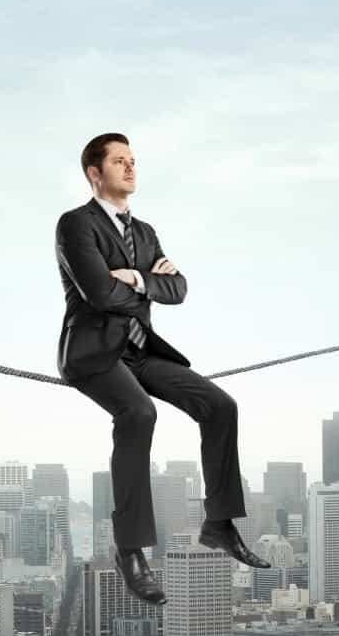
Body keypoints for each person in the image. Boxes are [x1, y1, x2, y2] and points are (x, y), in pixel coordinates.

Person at [55, 132, 270, 605]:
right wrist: (152, 282)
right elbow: (97, 293)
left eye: (133, 160)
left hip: (140, 350)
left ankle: (219, 523)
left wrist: (132, 277)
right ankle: (130, 550)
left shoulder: (145, 232)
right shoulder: (76, 225)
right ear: (95, 173)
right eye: (119, 161)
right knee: (138, 413)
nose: (130, 168)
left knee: (219, 405)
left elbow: (180, 290)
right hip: (94, 354)